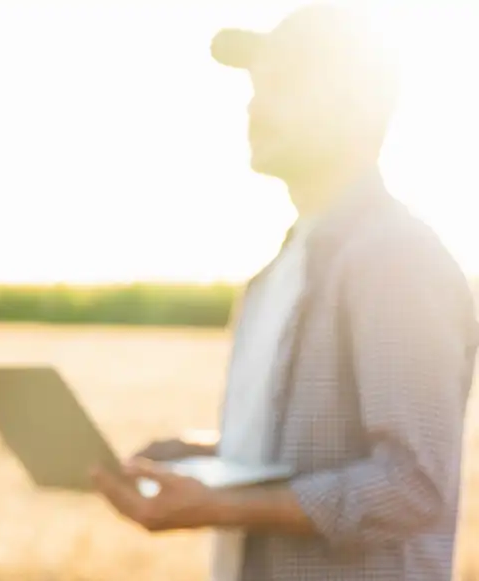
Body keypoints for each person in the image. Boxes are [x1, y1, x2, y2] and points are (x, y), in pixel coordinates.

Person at [89, 4, 479, 580]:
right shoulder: (277, 273)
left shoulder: (396, 259)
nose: (255, 104)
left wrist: (219, 504)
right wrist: (198, 456)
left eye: (285, 83)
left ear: (357, 102)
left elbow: (413, 485)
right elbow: (307, 455)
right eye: (256, 85)